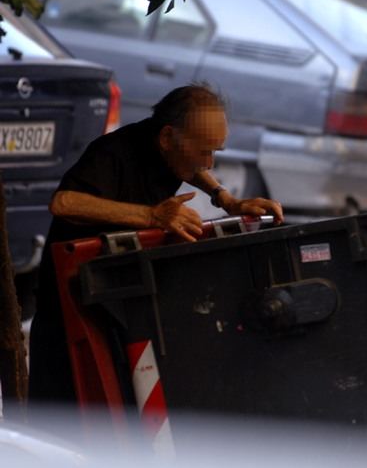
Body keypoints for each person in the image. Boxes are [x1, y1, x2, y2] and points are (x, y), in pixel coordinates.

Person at [27, 82, 284, 408]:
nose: (209, 163)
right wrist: (151, 216)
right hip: (68, 312)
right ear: (166, 138)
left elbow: (193, 164)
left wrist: (226, 199)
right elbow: (63, 203)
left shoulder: (169, 149)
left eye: (214, 151)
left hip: (113, 300)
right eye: (204, 151)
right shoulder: (113, 153)